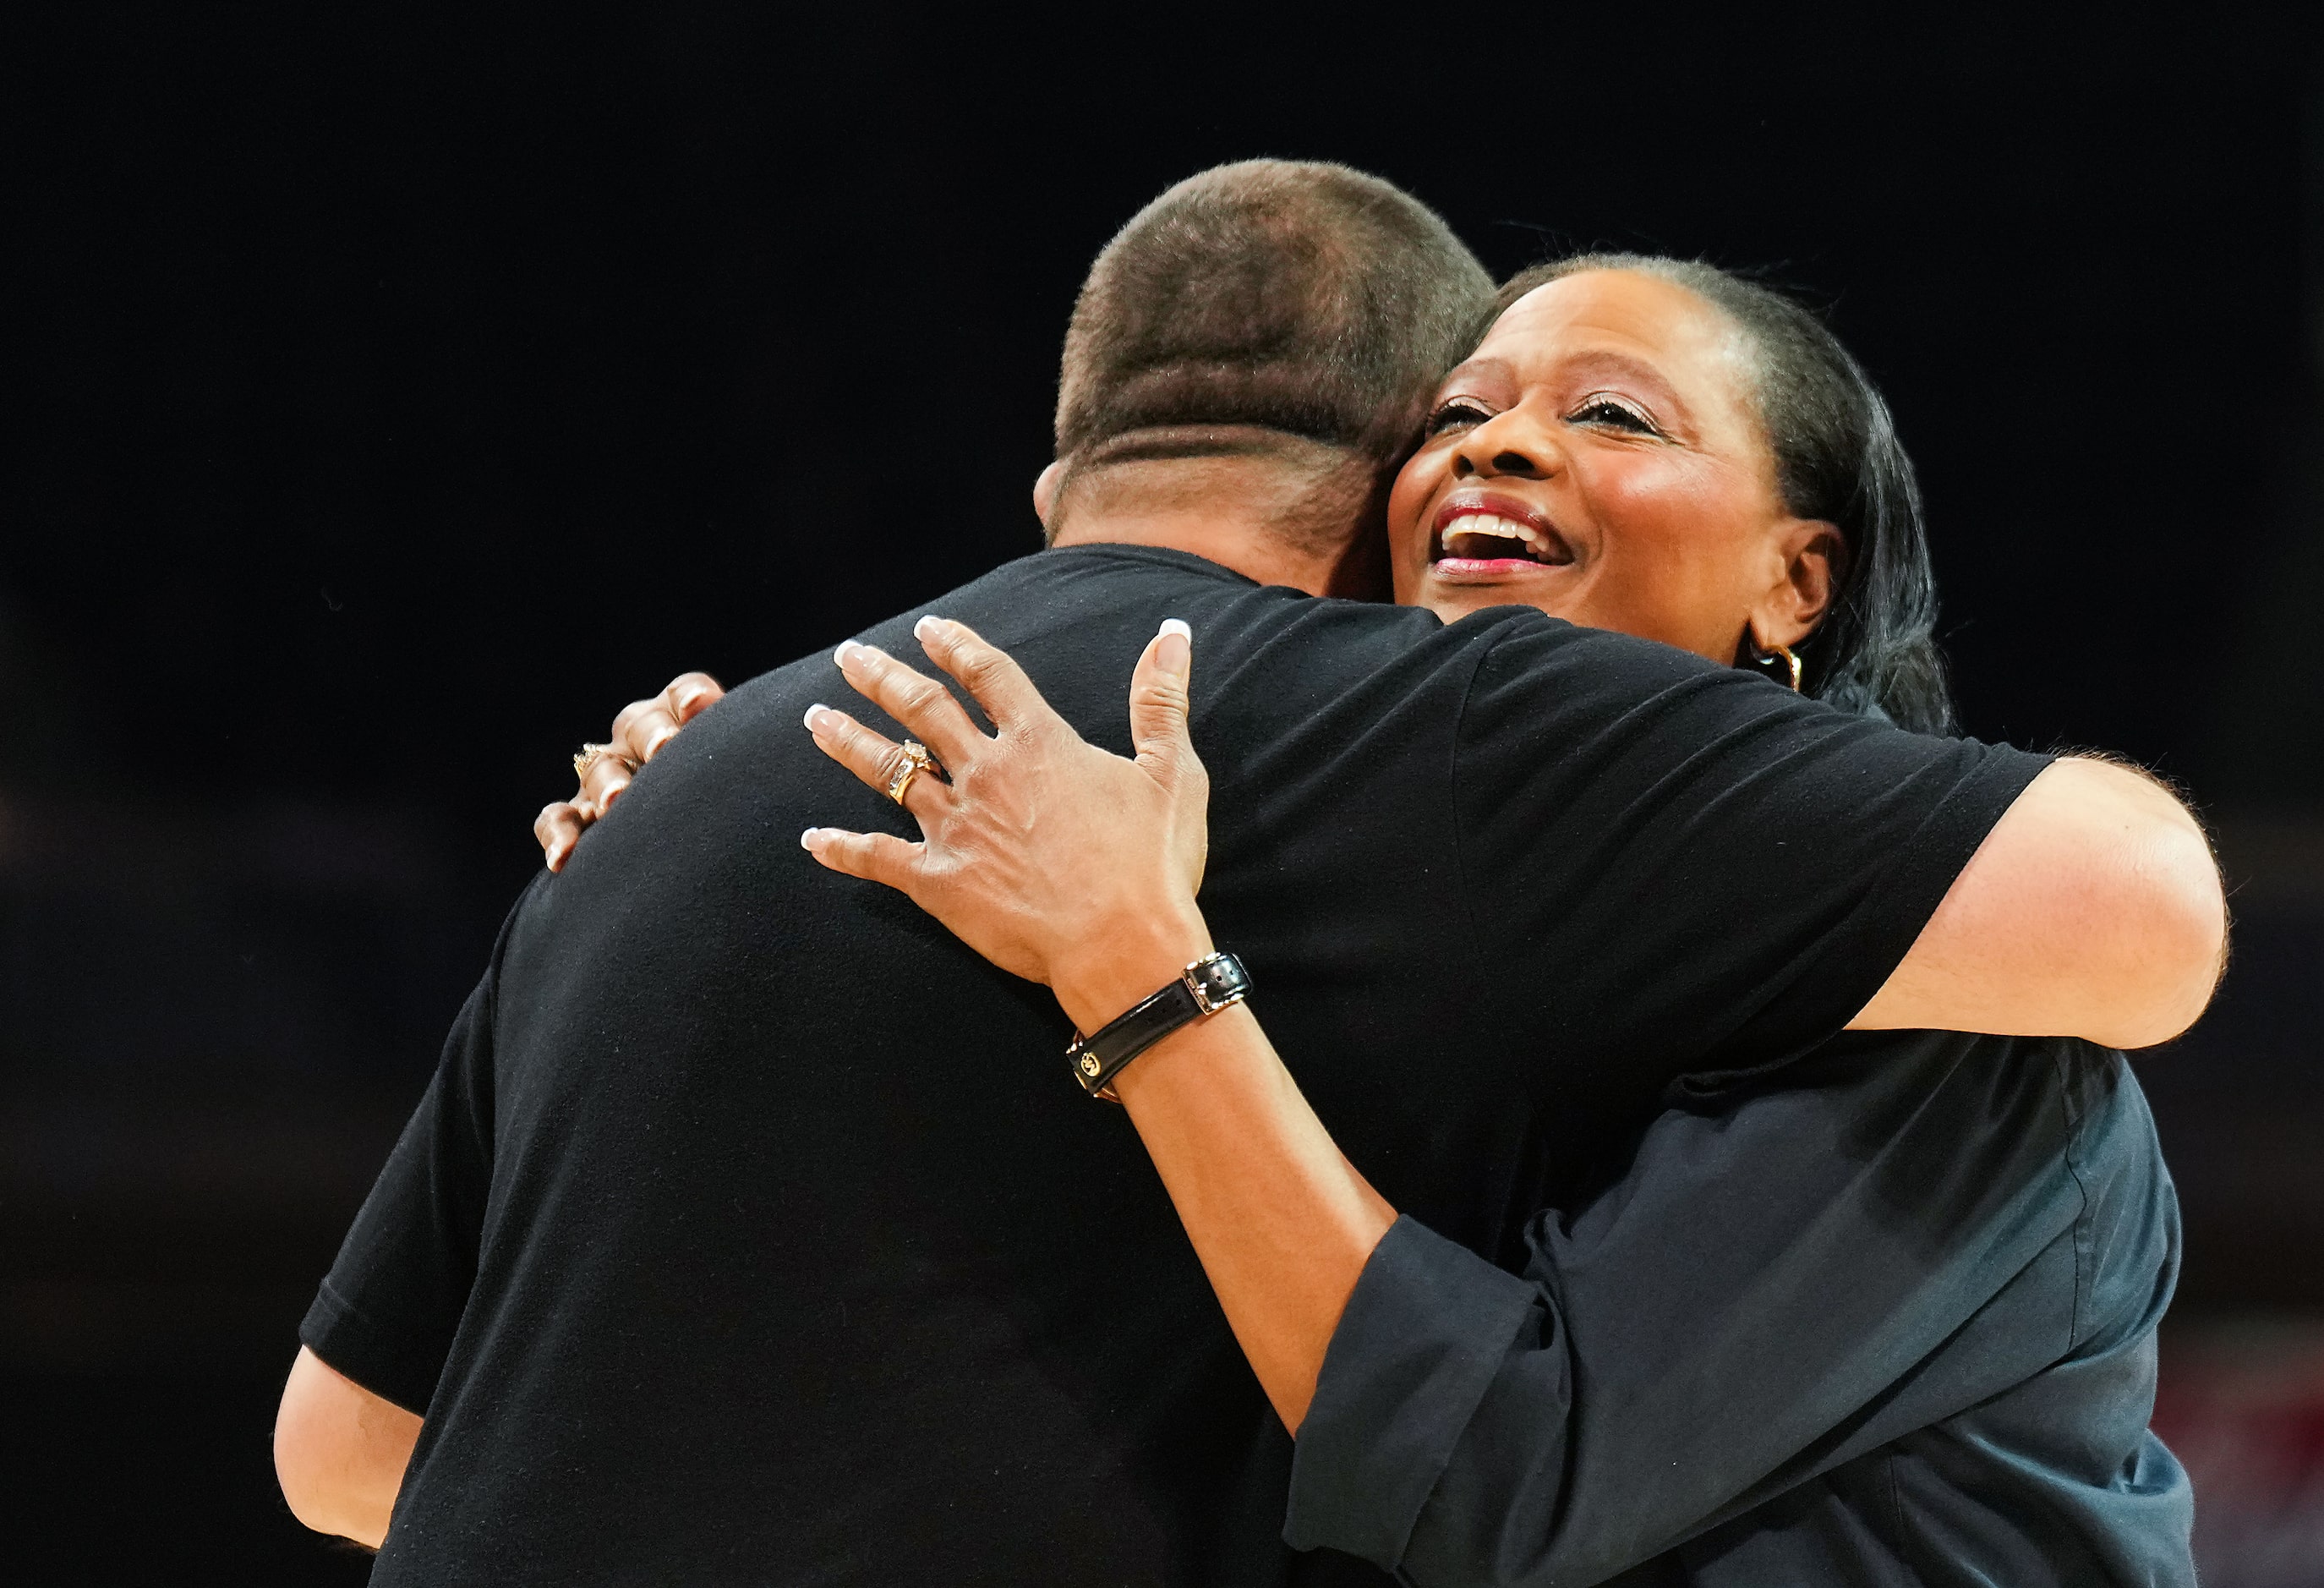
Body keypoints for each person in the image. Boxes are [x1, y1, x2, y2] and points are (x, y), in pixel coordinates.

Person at [276, 164, 2221, 1585]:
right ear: (1364, 482)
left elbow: (1482, 1479)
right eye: (1456, 414)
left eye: (1606, 413)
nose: (1503, 446)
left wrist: (1134, 964)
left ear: (1802, 575)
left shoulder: (1961, 1037)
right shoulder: (1438, 911)